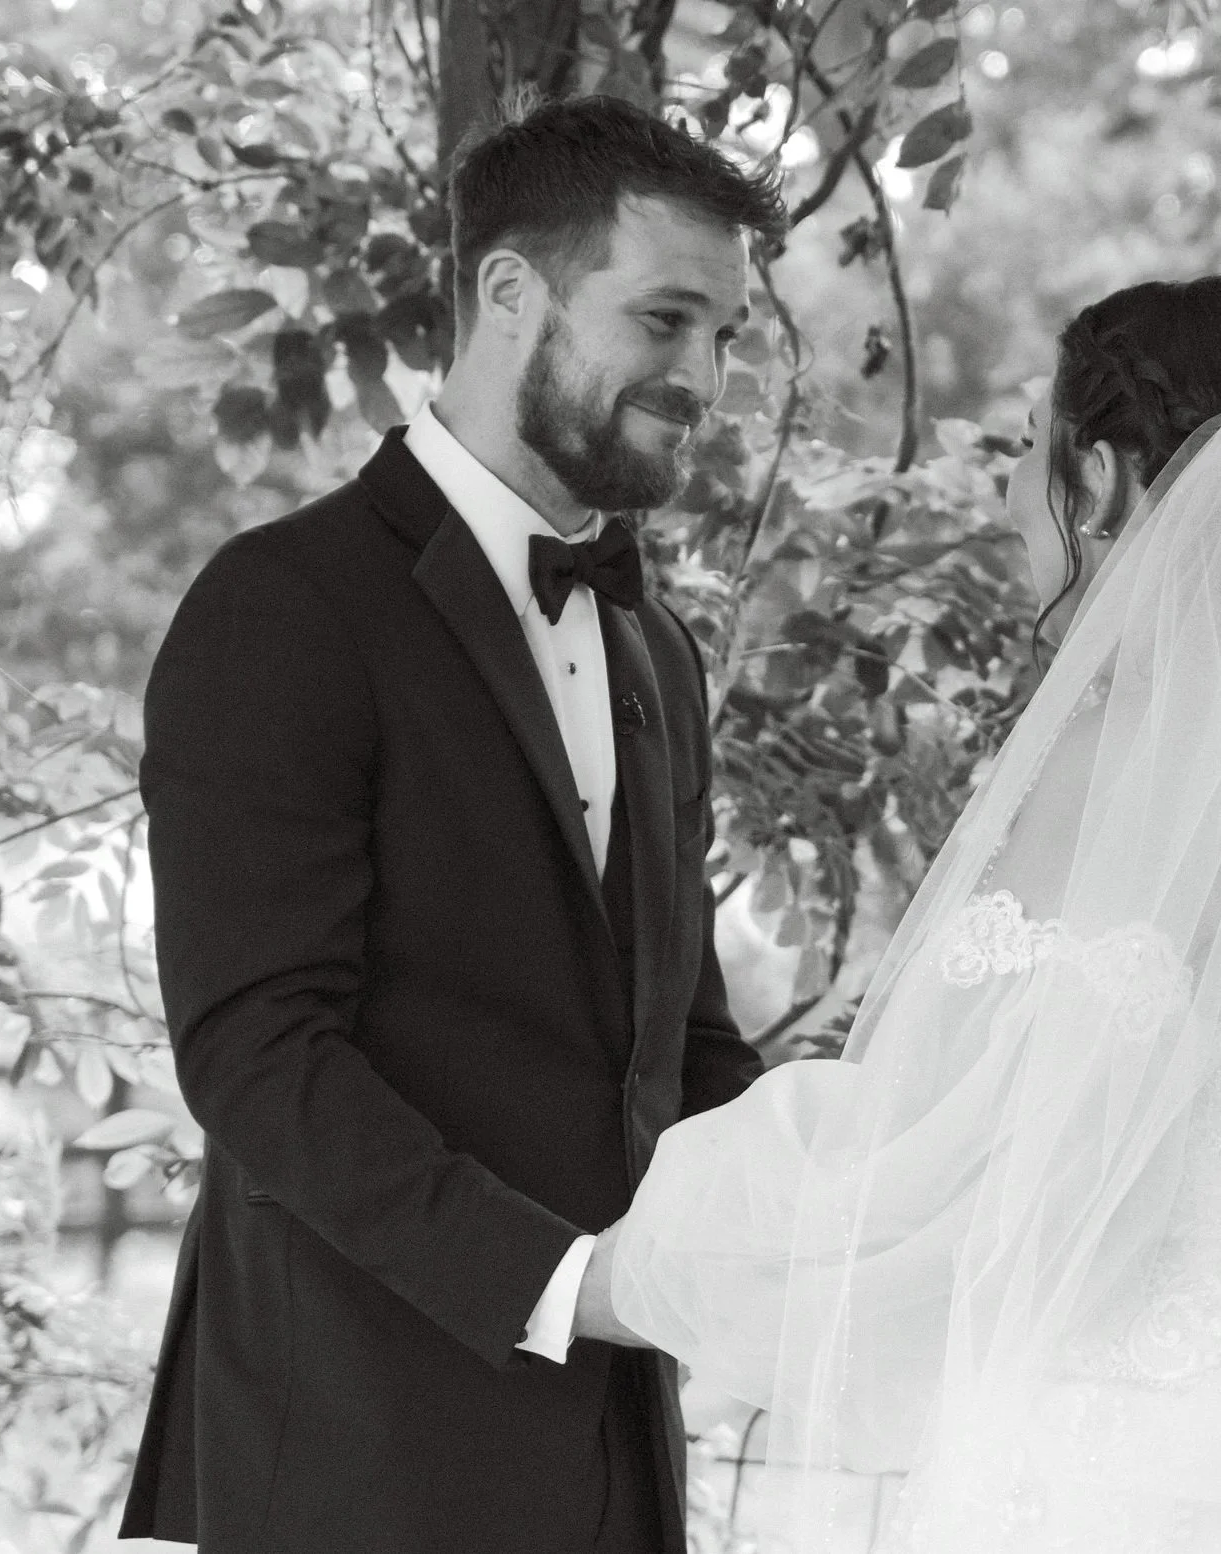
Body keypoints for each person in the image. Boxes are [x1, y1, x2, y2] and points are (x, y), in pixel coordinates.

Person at [603, 278, 1221, 1553]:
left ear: (1099, 480)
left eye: (1024, 454)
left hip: (1154, 1486)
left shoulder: (1136, 769)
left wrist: (626, 1252)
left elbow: (952, 1171)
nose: (1012, 502)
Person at [118, 96, 778, 1554]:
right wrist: (559, 1282)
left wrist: (868, 1169)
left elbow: (681, 1045)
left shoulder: (654, 649)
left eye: (725, 337)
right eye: (666, 321)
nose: (705, 380)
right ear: (505, 292)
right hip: (346, 1462)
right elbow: (257, 1053)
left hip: (613, 1461)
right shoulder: (284, 607)